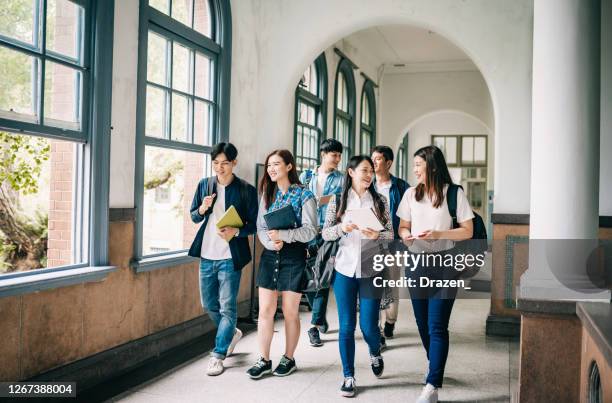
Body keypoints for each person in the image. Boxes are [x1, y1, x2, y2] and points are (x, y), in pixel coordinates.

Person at [396, 145, 474, 403]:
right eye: (415, 165)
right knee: (422, 324)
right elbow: (403, 226)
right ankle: (435, 368)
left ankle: (432, 385)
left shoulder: (454, 193)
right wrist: (406, 236)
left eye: (419, 164)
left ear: (432, 165)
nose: (415, 169)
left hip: (445, 264)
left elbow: (467, 231)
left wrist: (440, 234)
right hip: (416, 264)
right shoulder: (410, 194)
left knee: (437, 325)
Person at [322, 155, 393, 397]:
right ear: (350, 172)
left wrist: (377, 236)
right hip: (344, 268)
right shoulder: (338, 200)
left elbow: (391, 236)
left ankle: (375, 351)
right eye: (364, 170)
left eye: (371, 170)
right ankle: (348, 376)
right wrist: (342, 227)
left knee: (369, 326)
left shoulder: (380, 201)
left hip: (372, 269)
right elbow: (325, 233)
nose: (369, 174)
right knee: (346, 326)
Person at [188, 142, 259, 376]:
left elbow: (254, 225)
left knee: (228, 306)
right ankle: (231, 333)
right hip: (207, 254)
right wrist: (202, 208)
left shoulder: (246, 190)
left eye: (225, 163)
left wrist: (235, 232)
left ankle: (218, 355)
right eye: (216, 163)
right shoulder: (204, 185)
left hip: (230, 256)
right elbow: (194, 217)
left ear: (234, 163)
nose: (220, 167)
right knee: (208, 304)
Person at [247, 149, 318, 379]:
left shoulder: (305, 195)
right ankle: (264, 359)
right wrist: (269, 242)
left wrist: (283, 236)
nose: (271, 169)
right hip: (270, 255)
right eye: (269, 165)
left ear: (289, 166)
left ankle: (289, 358)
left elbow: (310, 231)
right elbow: (260, 226)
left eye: (276, 164)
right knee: (266, 311)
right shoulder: (267, 193)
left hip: (294, 256)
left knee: (290, 312)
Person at [299, 138, 344, 347]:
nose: (337, 159)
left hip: (327, 233)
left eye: (339, 155)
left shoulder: (342, 179)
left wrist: (324, 200)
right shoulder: (306, 176)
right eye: (333, 155)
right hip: (305, 232)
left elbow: (341, 202)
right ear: (323, 154)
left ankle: (314, 325)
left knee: (323, 277)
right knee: (308, 278)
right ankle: (320, 316)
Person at [371, 145, 409, 348]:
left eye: (378, 159)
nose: (374, 162)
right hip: (370, 246)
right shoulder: (368, 185)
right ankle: (376, 329)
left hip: (394, 245)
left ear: (388, 162)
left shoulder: (402, 187)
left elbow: (408, 216)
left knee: (391, 285)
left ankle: (391, 322)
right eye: (373, 159)